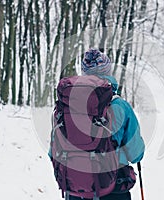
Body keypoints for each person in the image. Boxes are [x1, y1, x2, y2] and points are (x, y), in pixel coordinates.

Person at [49, 48, 145, 200]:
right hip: (113, 187)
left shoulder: (65, 106)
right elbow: (135, 154)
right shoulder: (120, 106)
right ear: (108, 72)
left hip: (74, 190)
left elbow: (53, 152)